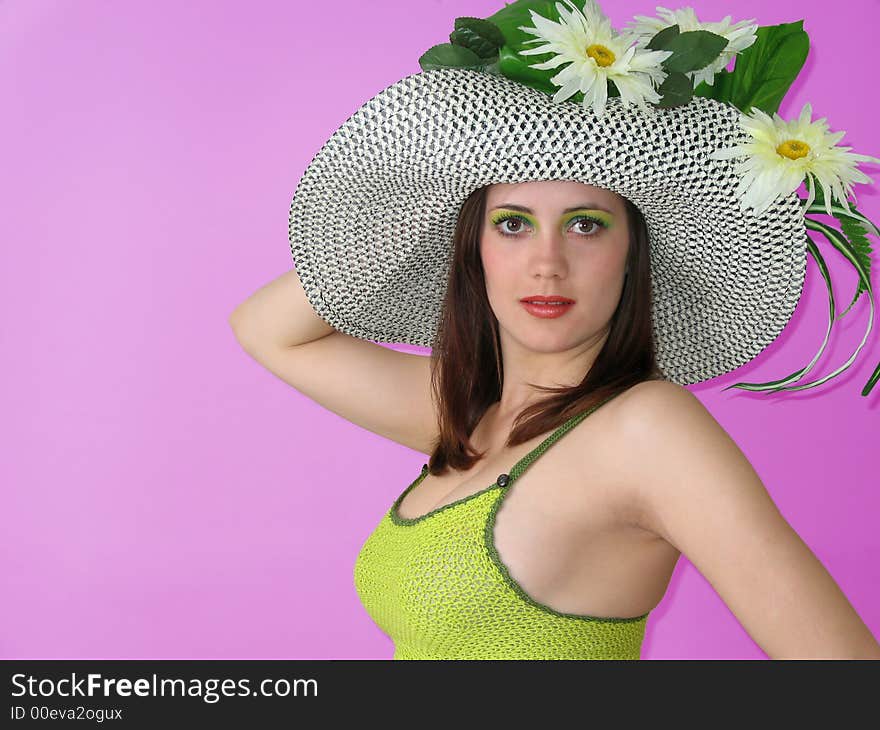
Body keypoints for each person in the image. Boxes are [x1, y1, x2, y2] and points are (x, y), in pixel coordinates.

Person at [228, 0, 880, 659]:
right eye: (512, 224)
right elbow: (265, 329)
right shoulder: (464, 410)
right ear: (473, 248)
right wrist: (431, 202)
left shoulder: (649, 430)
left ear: (634, 255)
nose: (547, 264)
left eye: (586, 224)